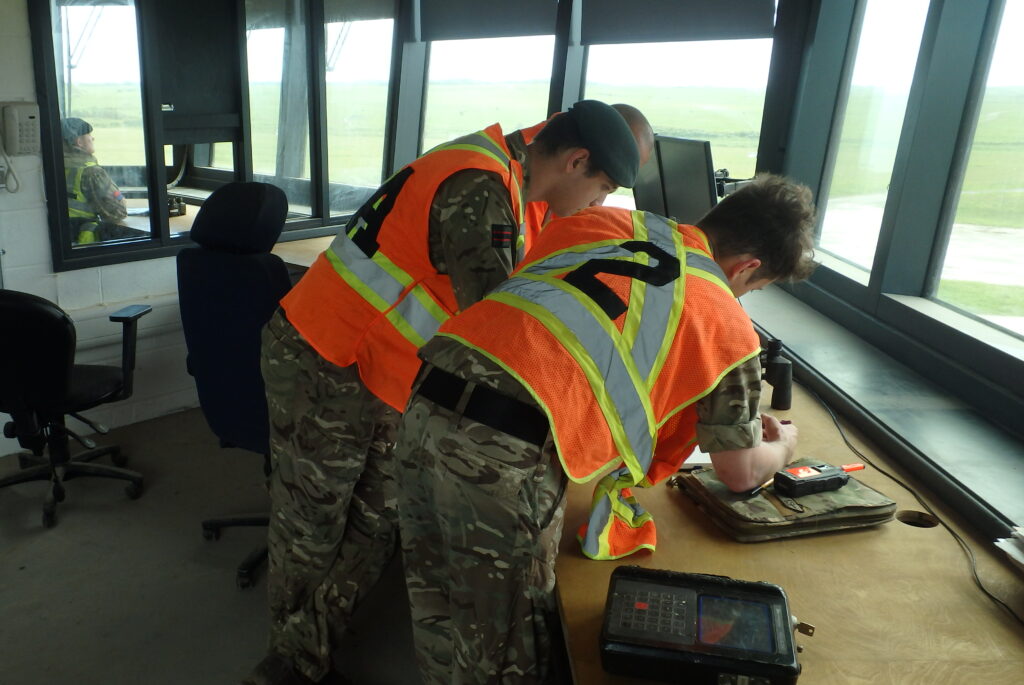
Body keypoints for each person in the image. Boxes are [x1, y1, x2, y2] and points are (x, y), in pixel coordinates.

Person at [245, 100, 641, 685]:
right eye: (601, 188)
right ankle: (290, 664)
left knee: (381, 515)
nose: (599, 205)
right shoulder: (480, 187)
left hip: (383, 373)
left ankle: (314, 638)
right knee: (313, 522)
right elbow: (497, 328)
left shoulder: (516, 180)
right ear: (576, 160)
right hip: (324, 358)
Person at [392, 173, 817, 684]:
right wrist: (785, 446)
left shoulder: (598, 222)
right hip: (500, 454)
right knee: (502, 641)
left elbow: (559, 325)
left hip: (423, 405)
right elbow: (740, 471)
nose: (744, 296)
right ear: (747, 267)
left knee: (437, 599)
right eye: (754, 286)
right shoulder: (726, 319)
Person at [518, 103, 655, 251]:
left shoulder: (557, 188)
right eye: (605, 186)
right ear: (577, 160)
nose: (597, 203)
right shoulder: (510, 181)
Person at [61, 117, 138, 245]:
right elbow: (118, 212)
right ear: (79, 142)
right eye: (89, 135)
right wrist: (120, 197)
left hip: (65, 243)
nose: (93, 138)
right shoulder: (91, 172)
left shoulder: (55, 167)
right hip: (85, 243)